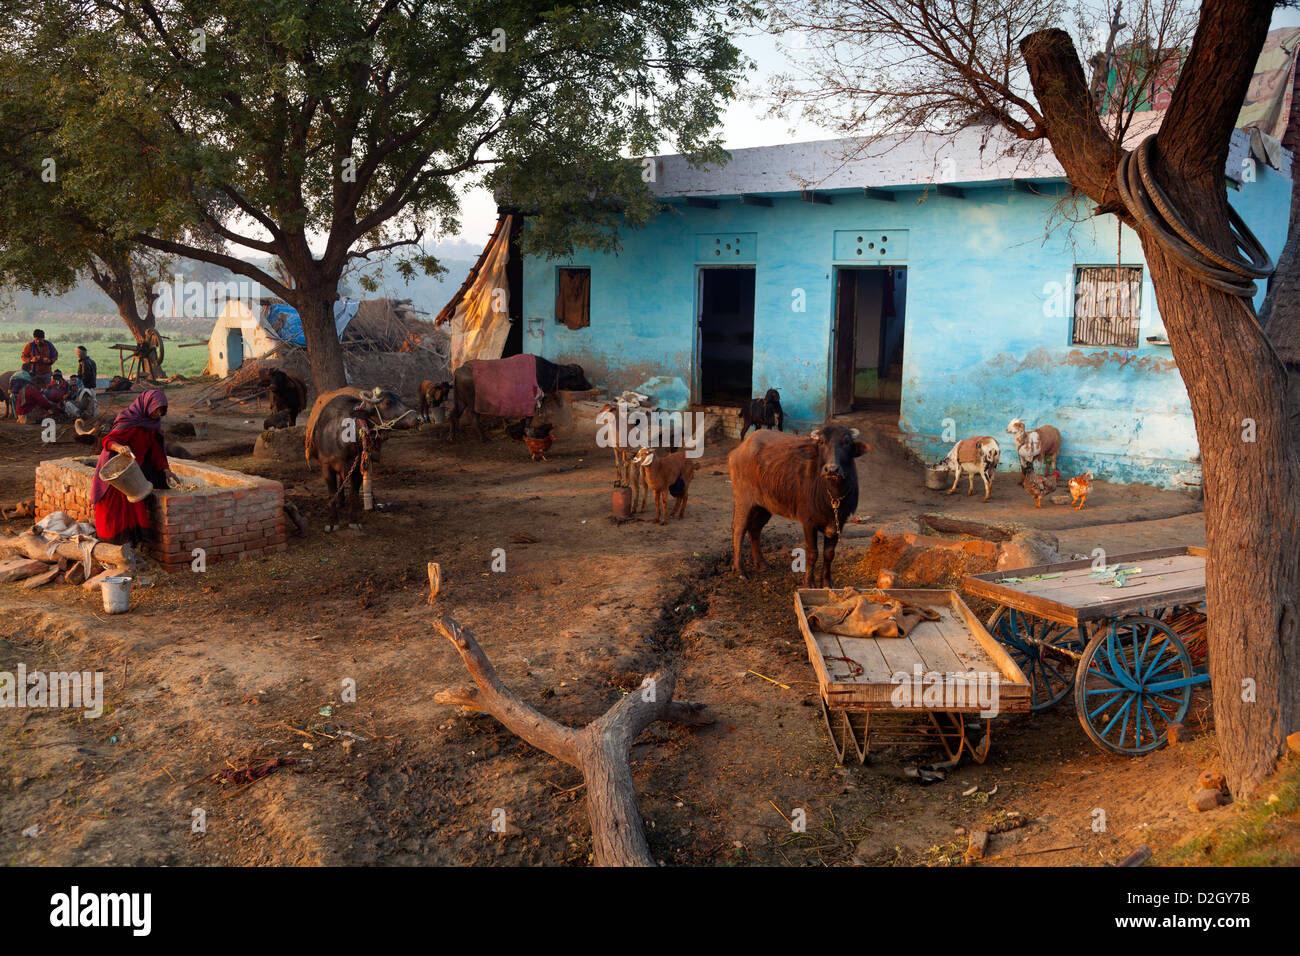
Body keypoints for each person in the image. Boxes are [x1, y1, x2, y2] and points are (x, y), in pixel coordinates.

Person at [92, 390, 177, 546]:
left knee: (134, 503)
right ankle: (111, 545)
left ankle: (132, 543)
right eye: (155, 409)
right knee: (114, 507)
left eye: (161, 410)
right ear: (147, 405)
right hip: (115, 466)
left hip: (133, 468)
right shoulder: (130, 419)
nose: (158, 413)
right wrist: (119, 447)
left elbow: (157, 450)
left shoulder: (153, 424)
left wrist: (165, 470)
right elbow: (108, 440)